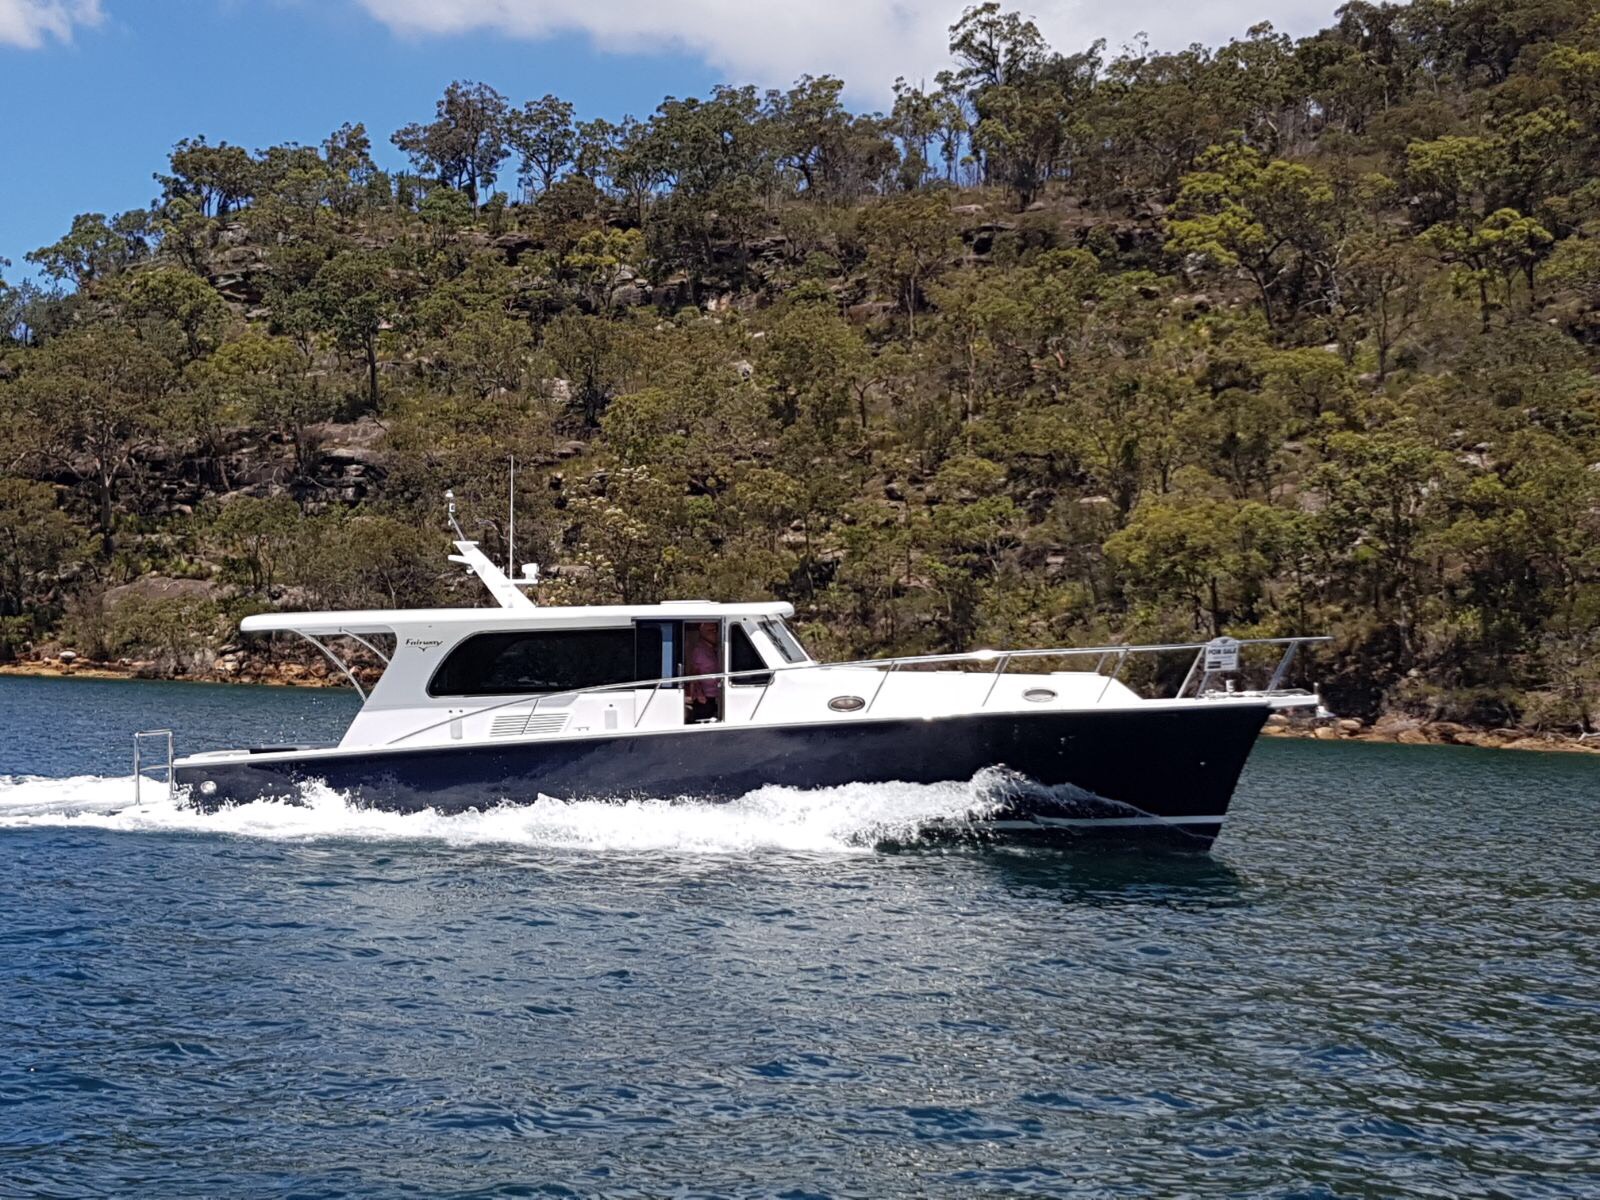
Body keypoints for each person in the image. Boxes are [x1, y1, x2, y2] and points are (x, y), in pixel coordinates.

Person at [684, 622, 722, 722]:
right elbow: (693, 672)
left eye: (716, 630)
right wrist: (699, 693)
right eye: (710, 631)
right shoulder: (699, 650)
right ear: (702, 632)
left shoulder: (712, 649)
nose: (715, 633)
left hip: (714, 694)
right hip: (704, 697)